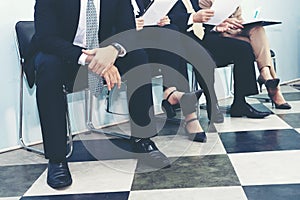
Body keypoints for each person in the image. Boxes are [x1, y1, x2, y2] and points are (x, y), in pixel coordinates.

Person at [25, 0, 171, 189]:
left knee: (138, 58)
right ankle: (57, 158)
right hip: (65, 55)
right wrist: (92, 60)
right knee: (48, 67)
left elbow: (127, 32)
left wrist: (113, 50)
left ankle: (143, 139)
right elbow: (46, 39)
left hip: (104, 52)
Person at [168, 0, 271, 119]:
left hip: (205, 36)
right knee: (203, 56)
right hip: (182, 39)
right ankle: (211, 101)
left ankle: (240, 103)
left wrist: (217, 26)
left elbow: (205, 21)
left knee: (244, 48)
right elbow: (170, 20)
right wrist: (193, 18)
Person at [132, 0, 207, 143]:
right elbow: (109, 25)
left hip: (152, 40)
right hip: (127, 44)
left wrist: (162, 19)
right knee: (174, 37)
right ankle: (184, 109)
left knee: (171, 31)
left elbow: (154, 14)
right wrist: (130, 24)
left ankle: (172, 93)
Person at [199, 0, 291, 109]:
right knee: (256, 47)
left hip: (234, 32)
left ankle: (265, 72)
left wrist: (239, 24)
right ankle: (273, 87)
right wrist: (226, 21)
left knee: (258, 28)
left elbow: (239, 19)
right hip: (218, 35)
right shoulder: (204, 1)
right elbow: (204, 23)